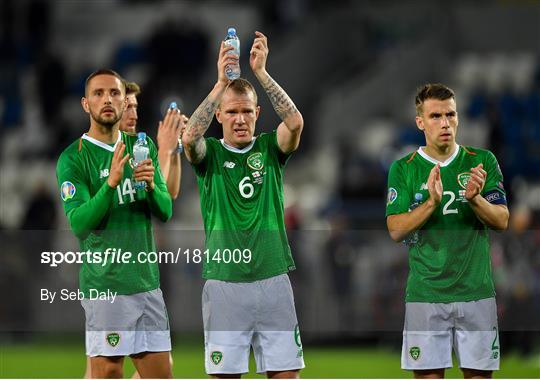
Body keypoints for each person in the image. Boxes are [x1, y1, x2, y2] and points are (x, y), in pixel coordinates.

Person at [182, 31, 305, 378]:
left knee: (286, 375)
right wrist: (221, 82)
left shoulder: (269, 150)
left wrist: (261, 73)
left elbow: (294, 123)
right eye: (232, 112)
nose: (239, 119)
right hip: (225, 283)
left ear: (256, 113)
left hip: (273, 280)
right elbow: (190, 138)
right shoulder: (213, 155)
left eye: (246, 112)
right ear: (219, 115)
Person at [386, 83, 509, 379]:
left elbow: (502, 220)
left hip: (475, 293)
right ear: (420, 122)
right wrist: (431, 204)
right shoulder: (404, 168)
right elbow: (395, 229)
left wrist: (475, 199)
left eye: (450, 114)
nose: (445, 123)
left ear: (458, 118)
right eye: (435, 116)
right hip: (426, 294)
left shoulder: (482, 161)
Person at [56, 69, 173, 378]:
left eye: (115, 93)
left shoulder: (141, 148)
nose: (107, 99)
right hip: (106, 286)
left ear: (125, 102)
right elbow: (80, 224)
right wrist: (110, 185)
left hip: (146, 283)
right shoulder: (73, 158)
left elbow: (165, 211)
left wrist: (149, 187)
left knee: (162, 374)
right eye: (98, 93)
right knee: (108, 373)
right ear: (85, 104)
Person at [81, 79, 187, 379]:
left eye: (136, 107)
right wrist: (164, 152)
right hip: (109, 278)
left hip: (137, 274)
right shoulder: (103, 154)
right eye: (128, 106)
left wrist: (172, 152)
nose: (133, 113)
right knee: (103, 369)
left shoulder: (138, 148)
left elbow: (169, 194)